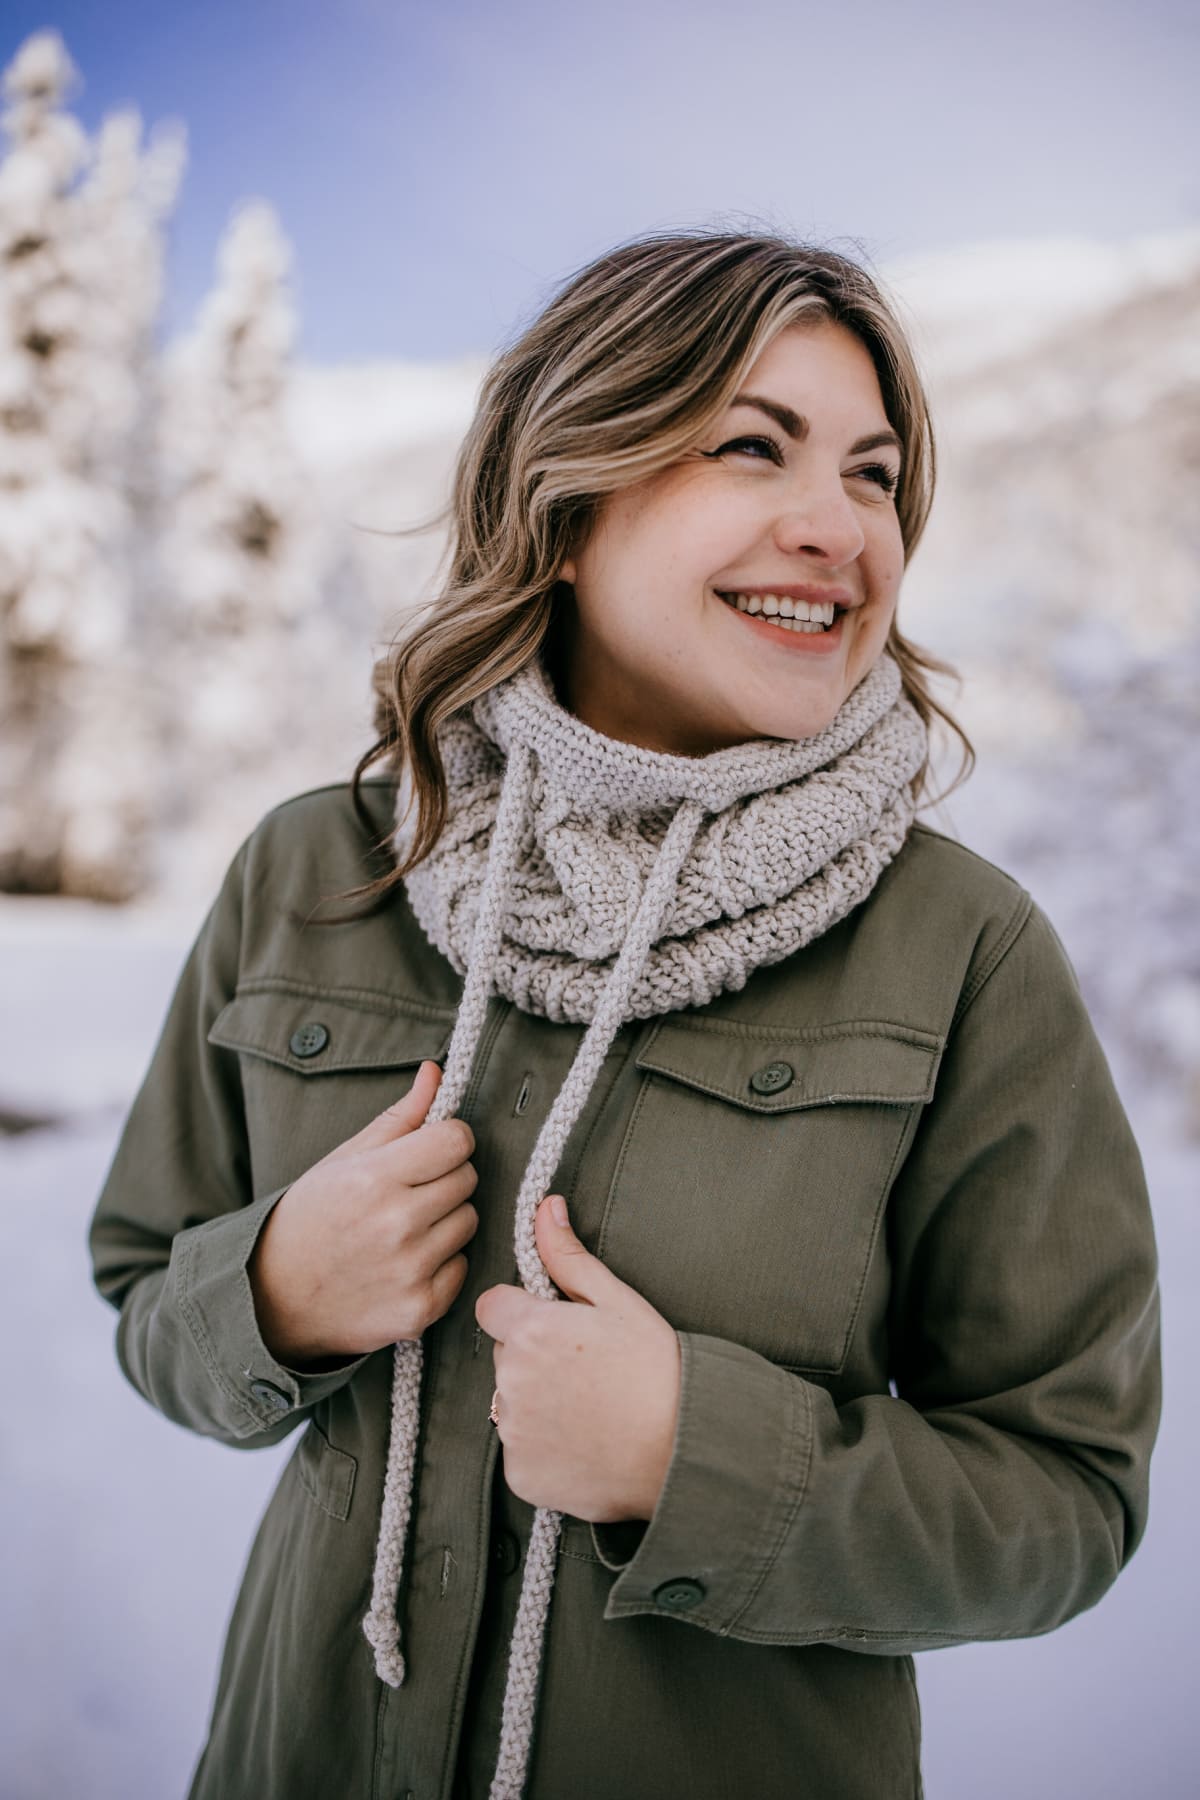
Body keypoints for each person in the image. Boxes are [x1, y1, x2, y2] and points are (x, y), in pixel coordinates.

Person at [88, 229, 1162, 1800]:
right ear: (568, 503)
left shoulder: (964, 950)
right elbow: (139, 1295)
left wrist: (698, 1459)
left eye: (874, 477)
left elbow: (1069, 1497)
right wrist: (272, 1291)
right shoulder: (325, 870)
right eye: (753, 447)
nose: (837, 529)